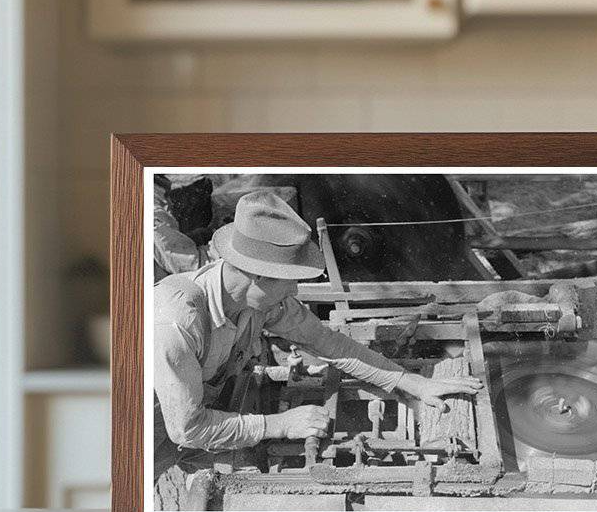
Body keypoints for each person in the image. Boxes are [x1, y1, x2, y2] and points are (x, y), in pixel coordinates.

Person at [153, 190, 482, 476]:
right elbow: (188, 428)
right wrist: (280, 425)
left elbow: (327, 342)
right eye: (290, 279)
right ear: (256, 276)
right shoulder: (178, 320)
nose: (295, 289)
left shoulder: (258, 302)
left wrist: (411, 382)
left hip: (195, 422)